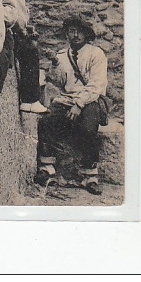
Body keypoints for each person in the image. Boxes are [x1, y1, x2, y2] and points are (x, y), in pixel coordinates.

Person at [35, 17, 108, 195]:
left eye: (79, 31)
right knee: (47, 121)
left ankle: (90, 175)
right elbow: (60, 83)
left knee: (88, 127)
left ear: (86, 34)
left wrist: (79, 104)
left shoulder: (96, 54)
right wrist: (54, 64)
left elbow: (96, 85)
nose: (75, 35)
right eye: (71, 31)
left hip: (91, 99)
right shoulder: (62, 55)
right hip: (67, 99)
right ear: (67, 33)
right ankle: (47, 168)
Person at [0, 0, 48, 113]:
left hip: (7, 25)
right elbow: (13, 10)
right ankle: (30, 99)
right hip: (5, 28)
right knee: (30, 48)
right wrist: (22, 29)